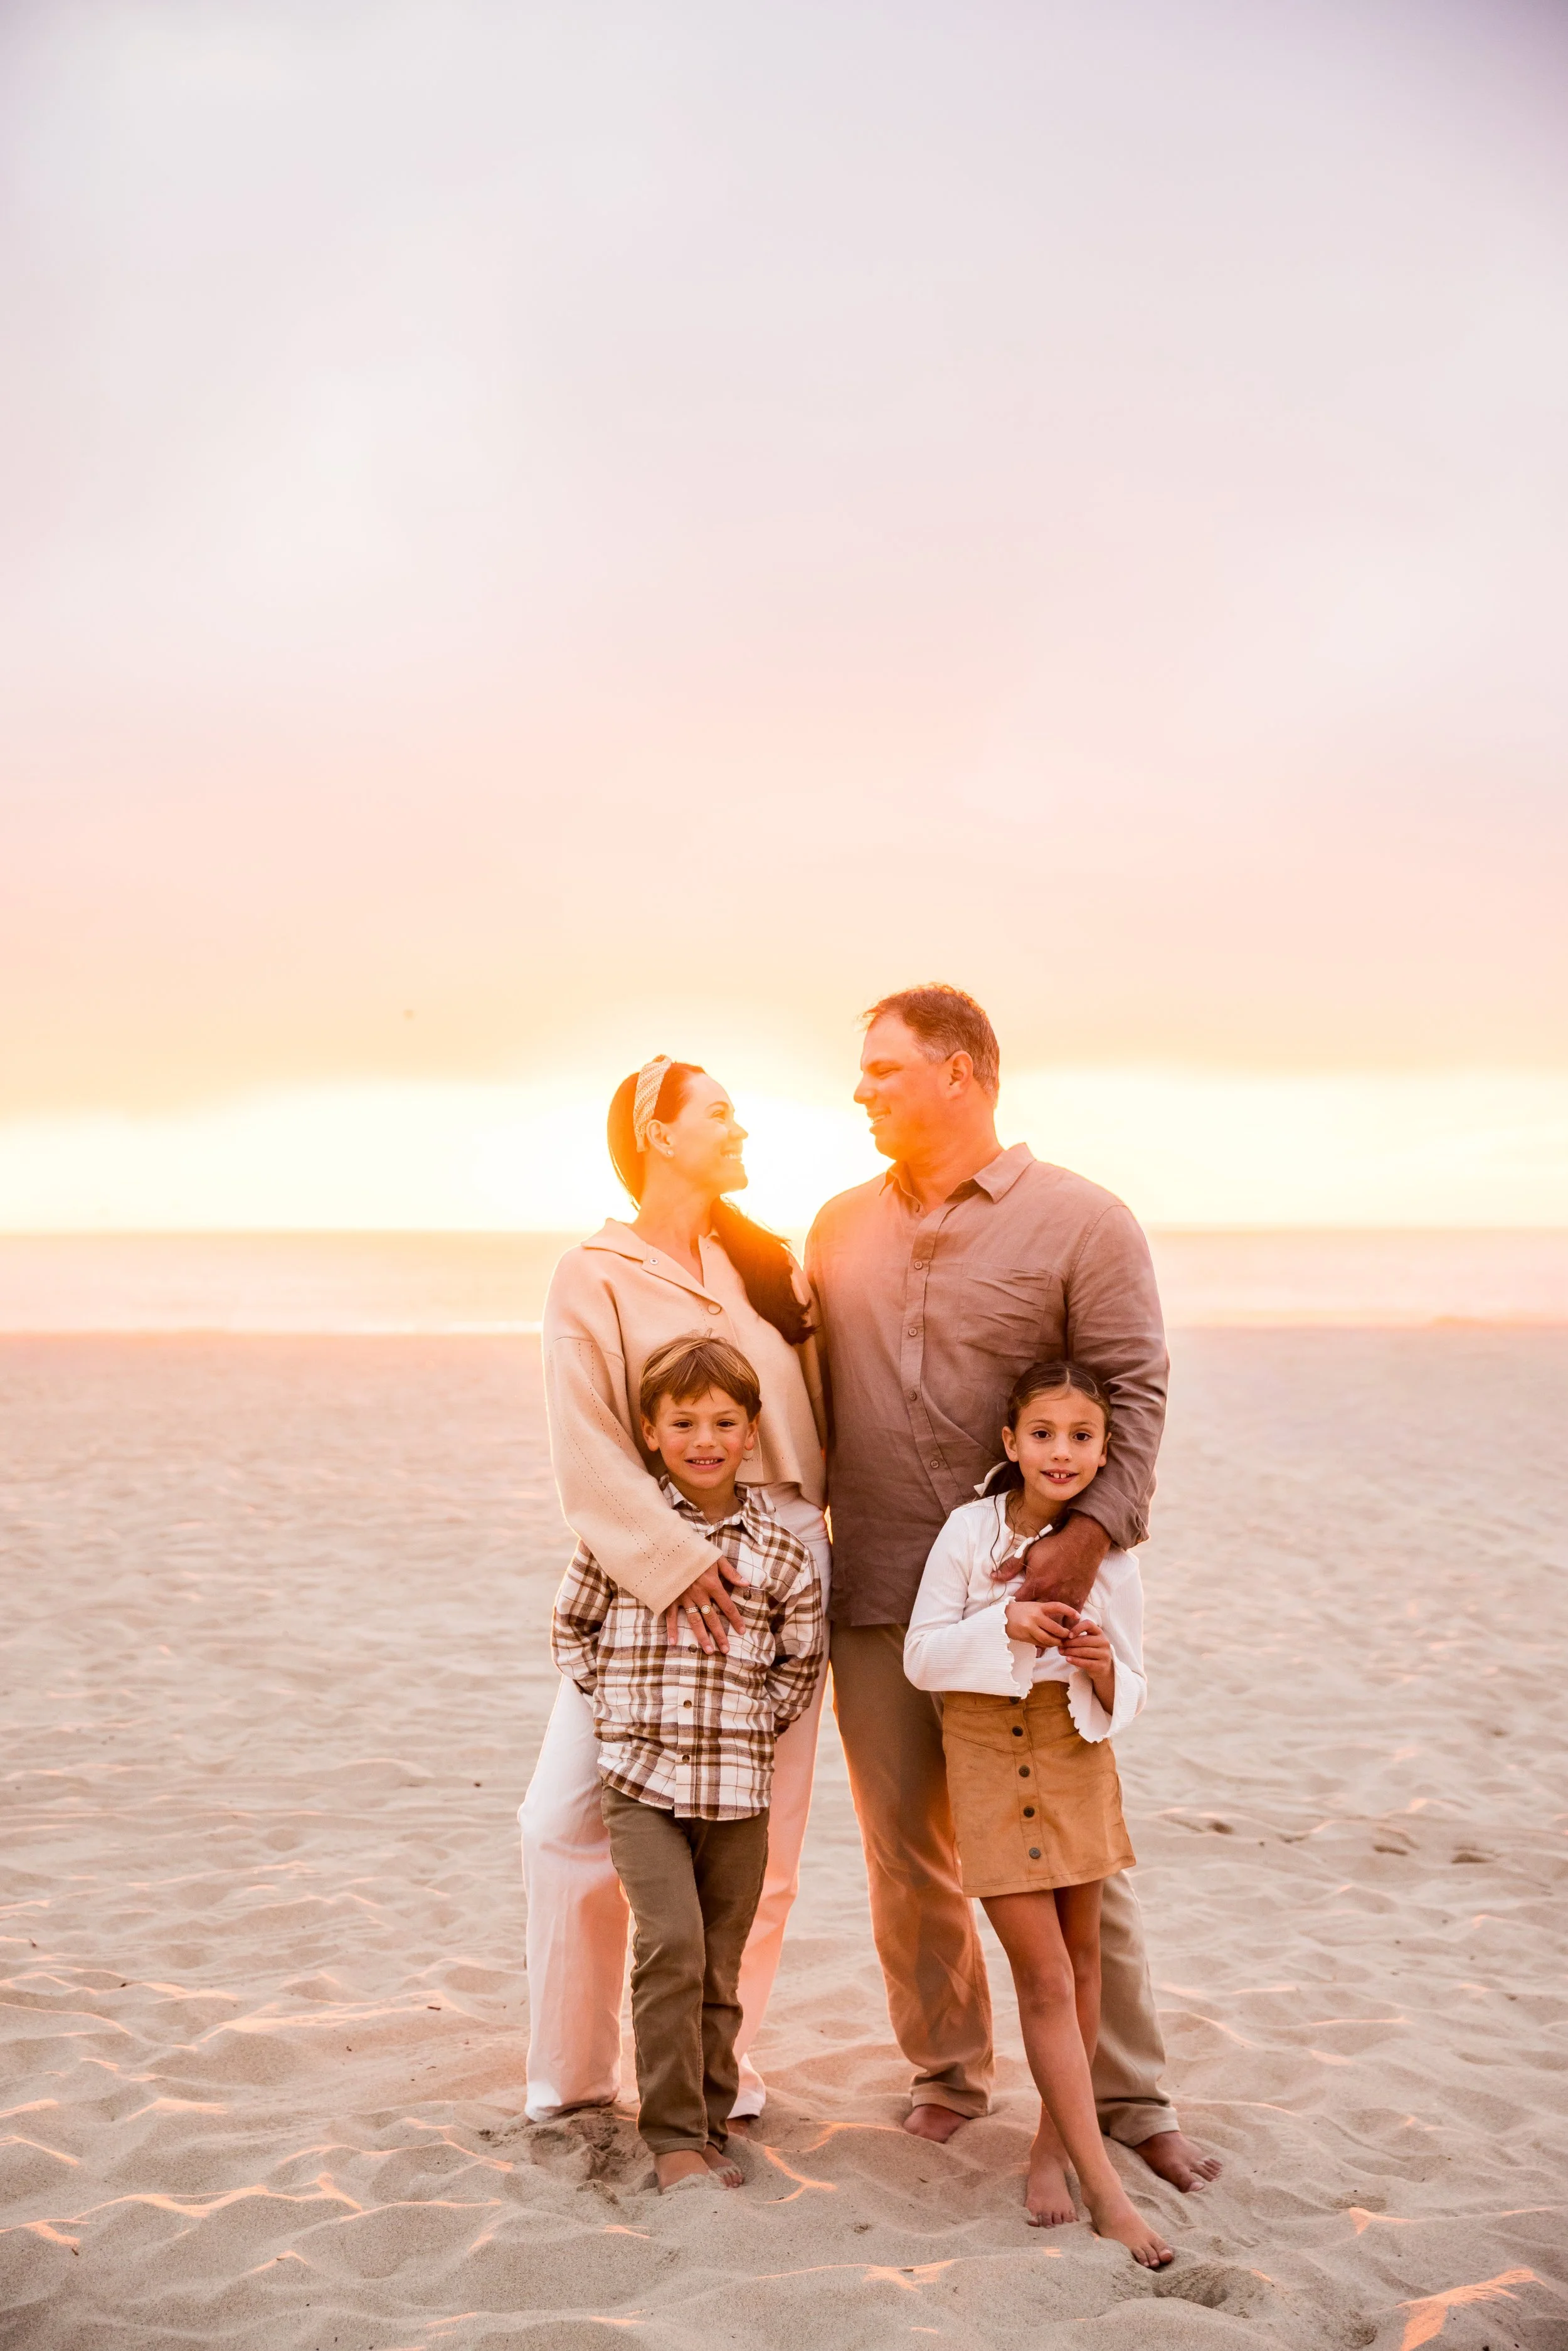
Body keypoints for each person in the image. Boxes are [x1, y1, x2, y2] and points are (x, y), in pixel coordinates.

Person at [807, 982, 1220, 2191]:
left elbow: (1135, 1395)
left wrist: (1087, 1540)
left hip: (1043, 1597)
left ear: (964, 1069)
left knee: (1074, 1857)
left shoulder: (1086, 1222)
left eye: (885, 1069)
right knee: (905, 1850)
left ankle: (1129, 2097)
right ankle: (948, 2070)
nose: (862, 1090)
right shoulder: (833, 1226)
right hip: (883, 1585)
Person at [521, 1056, 830, 2124]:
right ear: (657, 1131)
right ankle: (567, 2081)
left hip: (782, 1553)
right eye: (718, 1112)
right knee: (561, 1822)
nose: (739, 1126)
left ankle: (717, 2074)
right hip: (653, 1563)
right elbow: (588, 1445)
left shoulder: (762, 1266)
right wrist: (669, 1562)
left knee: (764, 1842)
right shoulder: (593, 1273)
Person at [904, 1360, 1173, 2266]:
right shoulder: (965, 1533)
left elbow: (1132, 1684)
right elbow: (920, 1657)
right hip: (984, 1758)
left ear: (1106, 1450)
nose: (1063, 1452)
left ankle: (1053, 2151)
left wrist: (1097, 1663)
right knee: (1047, 1978)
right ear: (1011, 1443)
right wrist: (1006, 1629)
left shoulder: (1113, 1555)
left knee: (1087, 1962)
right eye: (1045, 1434)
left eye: (1084, 1437)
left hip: (1072, 1756)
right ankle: (1107, 2190)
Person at [552, 1335, 823, 2191]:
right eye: (683, 1421)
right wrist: (625, 1717)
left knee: (719, 1961)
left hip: (738, 1791)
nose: (704, 1437)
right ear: (651, 1430)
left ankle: (709, 2122)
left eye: (724, 1421)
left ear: (751, 1433)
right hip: (641, 1783)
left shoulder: (781, 1555)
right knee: (669, 1942)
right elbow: (573, 1630)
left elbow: (799, 1667)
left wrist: (747, 1726)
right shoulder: (627, 1538)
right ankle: (671, 2137)